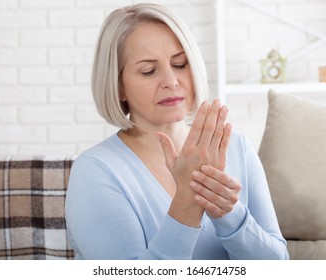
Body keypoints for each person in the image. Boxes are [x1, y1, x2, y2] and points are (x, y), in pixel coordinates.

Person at [65, 3, 289, 260]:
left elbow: (278, 263)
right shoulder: (96, 170)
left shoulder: (239, 148)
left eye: (180, 64)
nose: (171, 81)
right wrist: (189, 200)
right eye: (148, 71)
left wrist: (228, 212)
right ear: (119, 87)